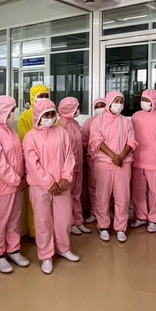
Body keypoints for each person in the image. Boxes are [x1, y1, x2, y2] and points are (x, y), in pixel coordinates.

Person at [23, 99, 79, 274]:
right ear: (38, 116)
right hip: (40, 186)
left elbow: (69, 156)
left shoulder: (61, 132)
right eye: (45, 114)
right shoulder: (30, 137)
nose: (49, 117)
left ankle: (63, 248)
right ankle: (46, 255)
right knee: (43, 221)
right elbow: (33, 164)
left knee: (64, 219)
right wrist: (49, 183)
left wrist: (66, 177)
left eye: (51, 114)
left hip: (62, 184)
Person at [0, 95, 30, 274]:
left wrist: (23, 176)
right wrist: (17, 180)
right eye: (11, 111)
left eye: (13, 110)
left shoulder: (10, 130)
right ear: (2, 112)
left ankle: (13, 249)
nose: (13, 114)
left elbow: (20, 152)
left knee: (13, 219)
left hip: (16, 184)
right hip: (2, 185)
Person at [89, 91, 138, 243]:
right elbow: (96, 141)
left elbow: (131, 141)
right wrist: (113, 156)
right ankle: (103, 226)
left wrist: (121, 156)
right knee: (102, 196)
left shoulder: (126, 122)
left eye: (121, 101)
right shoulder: (98, 121)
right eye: (116, 101)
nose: (119, 104)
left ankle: (121, 228)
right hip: (103, 163)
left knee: (122, 196)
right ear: (109, 102)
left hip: (123, 164)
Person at [130, 89, 156, 233]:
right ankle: (141, 216)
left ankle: (154, 219)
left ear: (155, 102)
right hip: (137, 160)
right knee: (138, 191)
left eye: (147, 100)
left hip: (155, 161)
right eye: (143, 99)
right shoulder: (135, 117)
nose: (144, 103)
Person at [18, 85, 52, 238]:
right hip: (35, 167)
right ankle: (36, 234)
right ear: (33, 98)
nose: (43, 99)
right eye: (40, 96)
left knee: (52, 204)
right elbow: (26, 144)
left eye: (46, 96)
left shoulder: (52, 115)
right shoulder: (26, 117)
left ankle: (51, 235)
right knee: (35, 204)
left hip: (52, 168)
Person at [58, 97, 91, 235]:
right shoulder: (60, 125)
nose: (77, 110)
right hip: (67, 167)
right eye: (75, 108)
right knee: (67, 196)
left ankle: (79, 221)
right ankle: (70, 222)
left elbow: (79, 142)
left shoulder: (75, 123)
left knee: (77, 194)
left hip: (78, 164)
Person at [81, 98, 106, 224]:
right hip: (93, 159)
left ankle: (106, 211)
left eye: (102, 105)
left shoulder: (111, 122)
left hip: (108, 160)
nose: (100, 109)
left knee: (107, 188)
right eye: (97, 106)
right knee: (94, 187)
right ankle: (95, 212)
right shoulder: (89, 122)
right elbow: (84, 141)